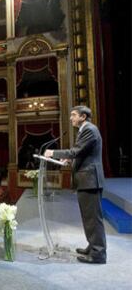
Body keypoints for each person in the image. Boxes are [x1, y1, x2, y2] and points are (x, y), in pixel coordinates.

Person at [44, 105, 106, 264]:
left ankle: (98, 254)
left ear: (83, 117)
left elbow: (75, 151)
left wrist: (54, 153)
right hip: (87, 180)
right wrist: (71, 159)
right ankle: (93, 247)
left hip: (90, 180)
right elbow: (82, 153)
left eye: (73, 115)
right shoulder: (86, 129)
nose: (71, 118)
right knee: (88, 217)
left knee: (93, 218)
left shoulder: (89, 130)